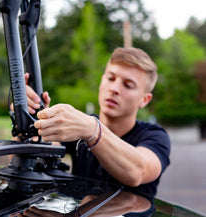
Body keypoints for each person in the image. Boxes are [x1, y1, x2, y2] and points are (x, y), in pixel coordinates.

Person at [23, 47, 171, 197]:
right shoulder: (82, 126)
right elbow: (33, 154)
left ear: (144, 100)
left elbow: (138, 172)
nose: (114, 89)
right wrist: (31, 120)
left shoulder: (155, 136)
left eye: (128, 85)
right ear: (102, 82)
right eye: (111, 78)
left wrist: (93, 130)